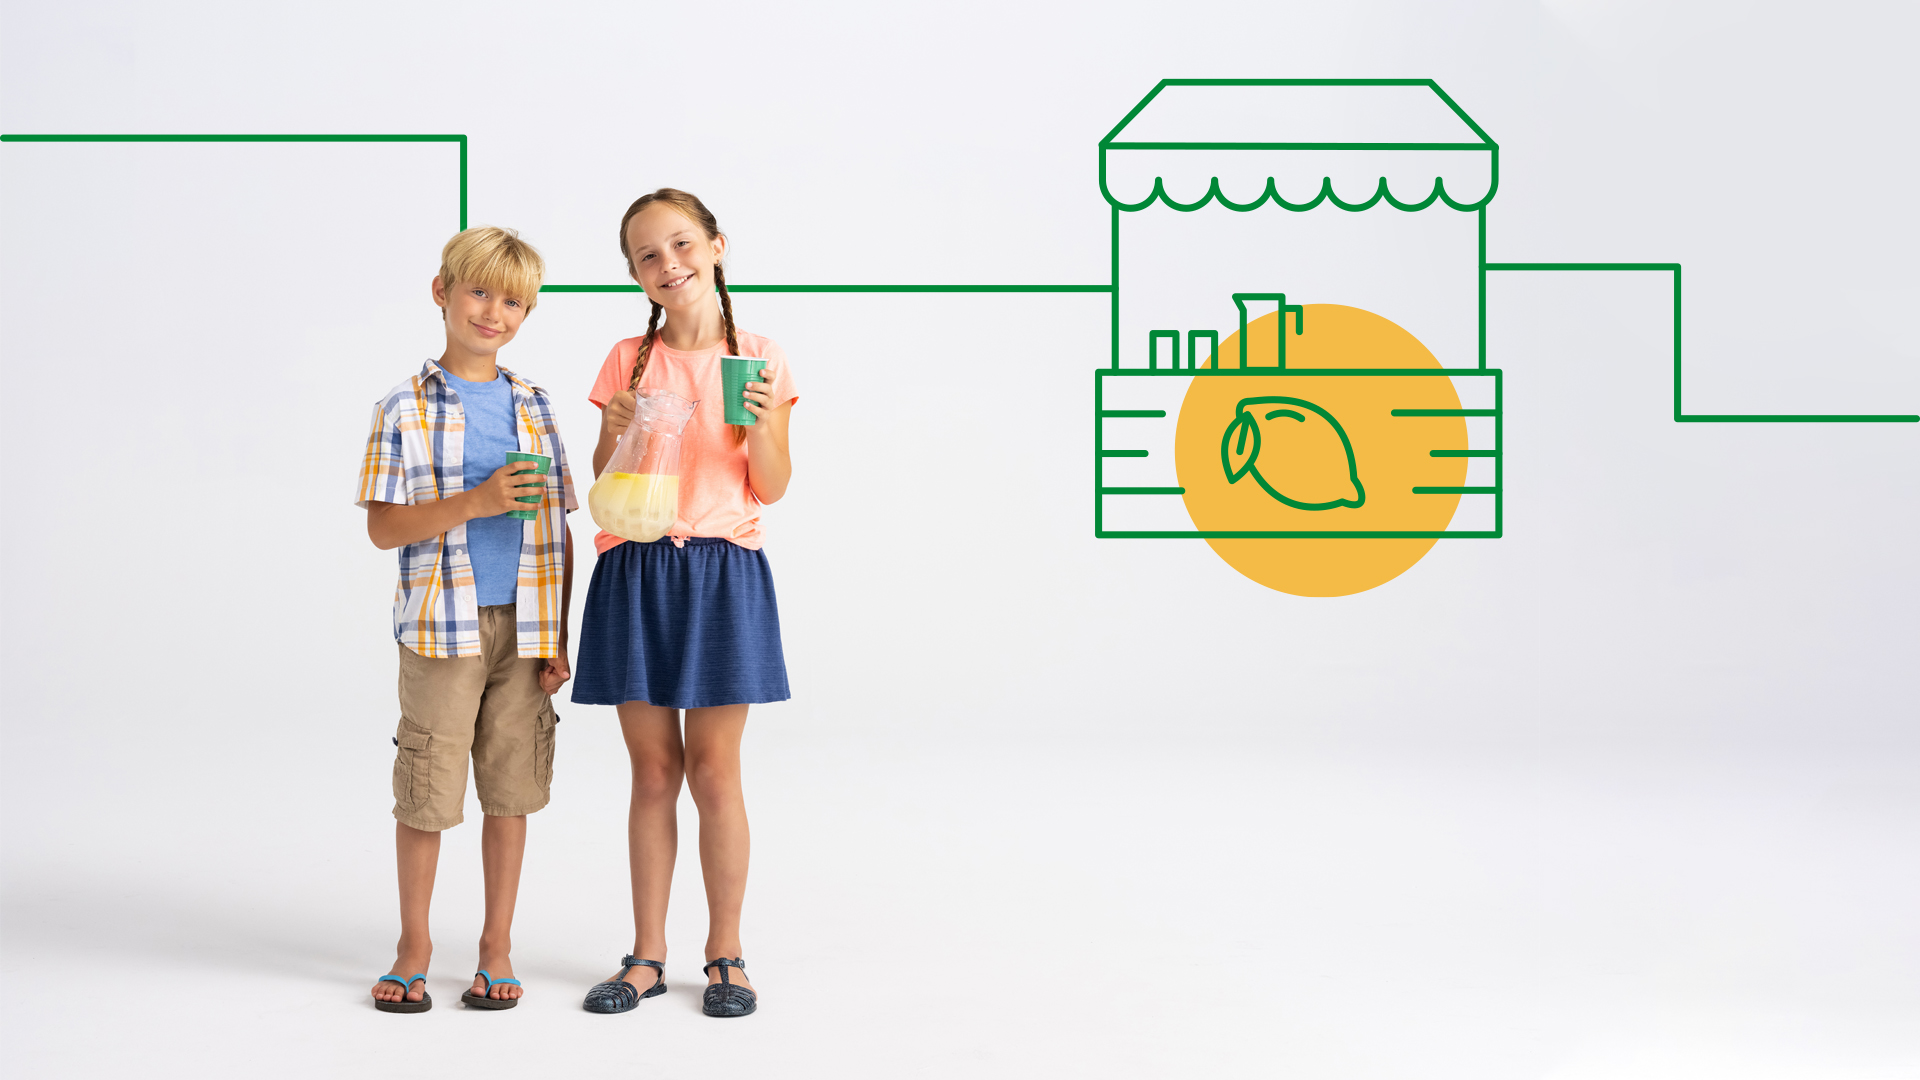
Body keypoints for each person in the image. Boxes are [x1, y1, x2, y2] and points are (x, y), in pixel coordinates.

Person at [574, 189, 798, 1018]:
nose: (668, 264)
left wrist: (763, 422)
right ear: (635, 275)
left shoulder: (760, 356)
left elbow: (771, 485)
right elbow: (605, 484)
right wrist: (618, 427)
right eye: (647, 256)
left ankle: (725, 954)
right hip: (635, 568)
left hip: (722, 571)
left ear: (716, 246)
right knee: (653, 772)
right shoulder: (627, 359)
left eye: (681, 244)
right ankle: (646, 957)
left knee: (713, 770)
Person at [356, 226, 577, 1012]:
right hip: (440, 630)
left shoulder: (536, 405)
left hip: (526, 628)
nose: (494, 312)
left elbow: (557, 528)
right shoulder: (403, 407)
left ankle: (496, 947)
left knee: (511, 788)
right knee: (428, 788)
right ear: (442, 292)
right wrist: (475, 502)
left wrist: (558, 637)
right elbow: (383, 528)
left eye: (513, 302)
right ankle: (413, 947)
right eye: (479, 292)